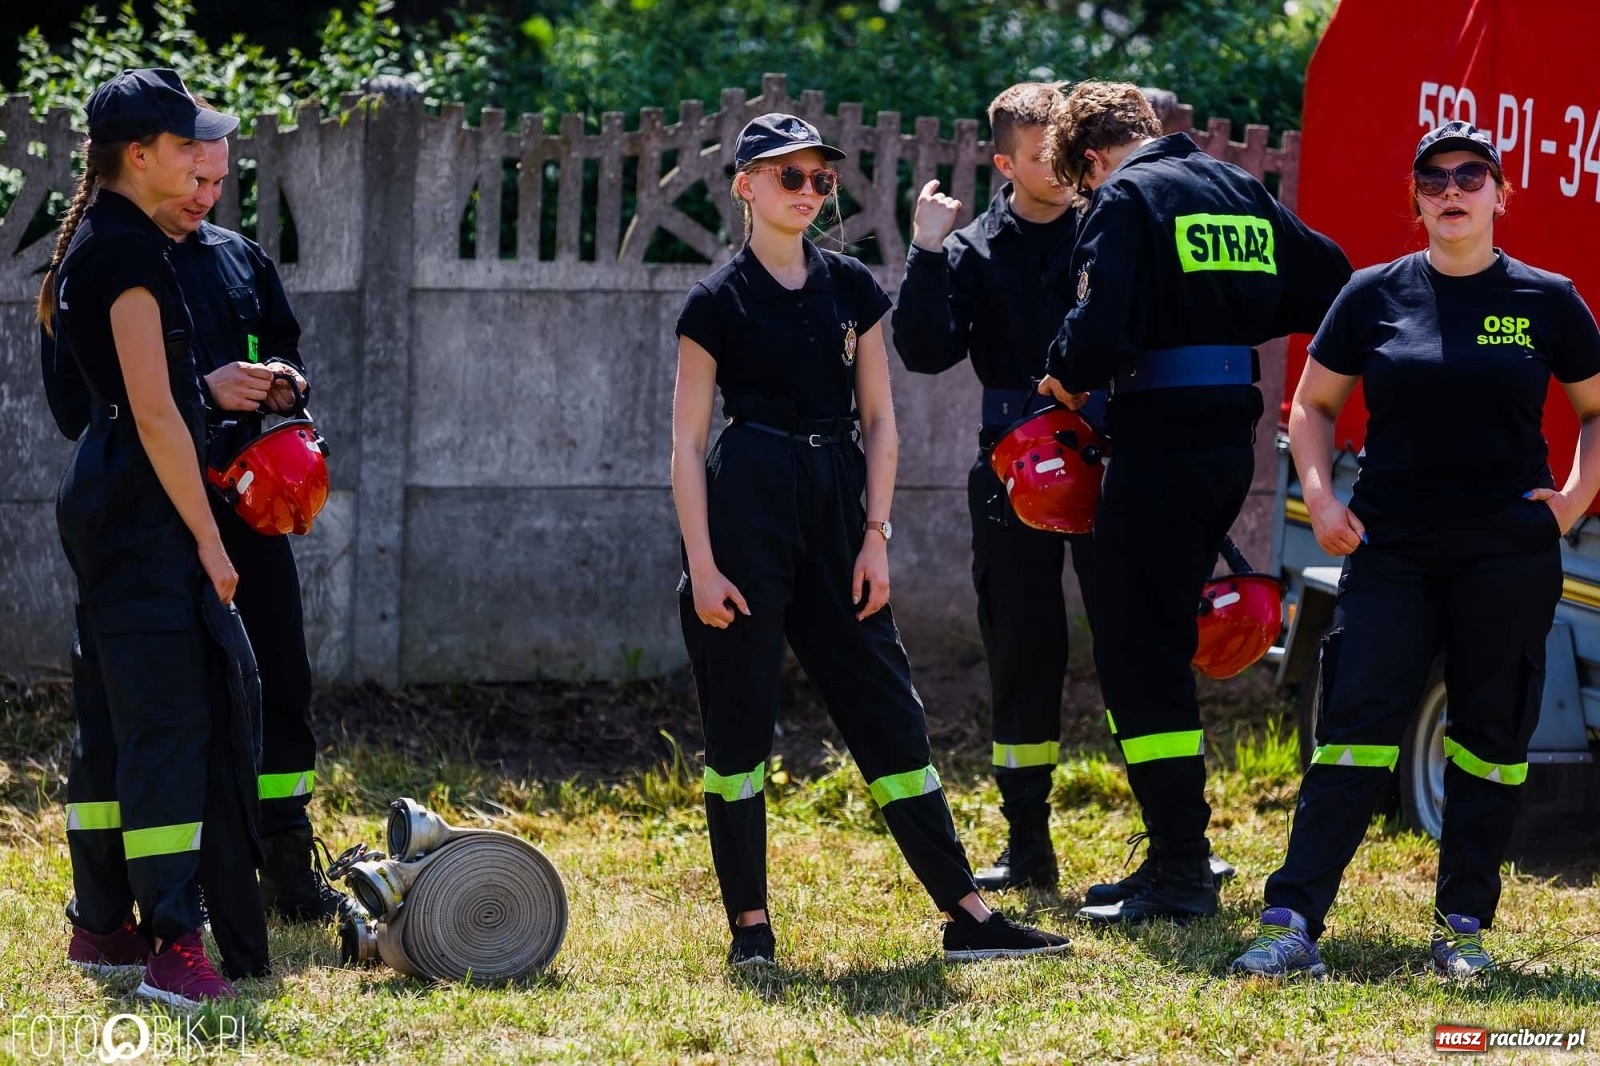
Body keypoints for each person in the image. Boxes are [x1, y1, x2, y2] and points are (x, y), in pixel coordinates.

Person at [672, 112, 1071, 966]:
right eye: (790, 177)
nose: (810, 193)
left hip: (839, 505)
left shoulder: (853, 288)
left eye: (821, 180)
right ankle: (751, 929)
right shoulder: (714, 303)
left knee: (890, 715)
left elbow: (882, 421)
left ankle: (968, 914)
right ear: (745, 186)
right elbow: (684, 446)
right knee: (739, 725)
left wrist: (876, 537)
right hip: (747, 501)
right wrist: (702, 566)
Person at [1231, 121, 1600, 980]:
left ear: (1502, 194)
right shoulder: (1371, 294)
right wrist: (1320, 497)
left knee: (1489, 738)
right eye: (1433, 179)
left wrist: (1574, 503)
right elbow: (1312, 406)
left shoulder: (1548, 299)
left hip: (1507, 548)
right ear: (1416, 198)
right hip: (1392, 543)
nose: (1452, 191)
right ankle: (1291, 923)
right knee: (1355, 730)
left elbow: (1595, 409)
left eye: (1472, 176)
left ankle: (1462, 927)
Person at [893, 82, 1236, 896]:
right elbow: (925, 349)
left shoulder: (1112, 221)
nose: (1070, 164)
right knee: (1023, 647)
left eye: (1074, 150)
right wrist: (926, 248)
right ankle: (1027, 845)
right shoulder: (974, 247)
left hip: (1118, 457)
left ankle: (1174, 844)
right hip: (1013, 472)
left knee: (1139, 643)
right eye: (1049, 152)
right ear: (1007, 162)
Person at [1036, 82, 1352, 924]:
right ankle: (1177, 856)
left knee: (1141, 652)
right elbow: (1329, 282)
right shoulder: (1238, 189)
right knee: (1163, 639)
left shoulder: (1126, 199)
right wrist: (1230, 315)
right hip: (1227, 445)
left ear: (1092, 160)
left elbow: (1097, 333)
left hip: (1160, 441)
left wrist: (1062, 374)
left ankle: (1181, 870)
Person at [40, 68, 263, 1006]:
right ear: (140, 156)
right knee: (170, 722)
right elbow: (161, 416)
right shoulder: (127, 258)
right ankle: (174, 945)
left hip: (109, 502)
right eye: (187, 148)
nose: (204, 166)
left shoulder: (103, 241)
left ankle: (100, 925)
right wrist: (212, 542)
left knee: (113, 719)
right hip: (144, 510)